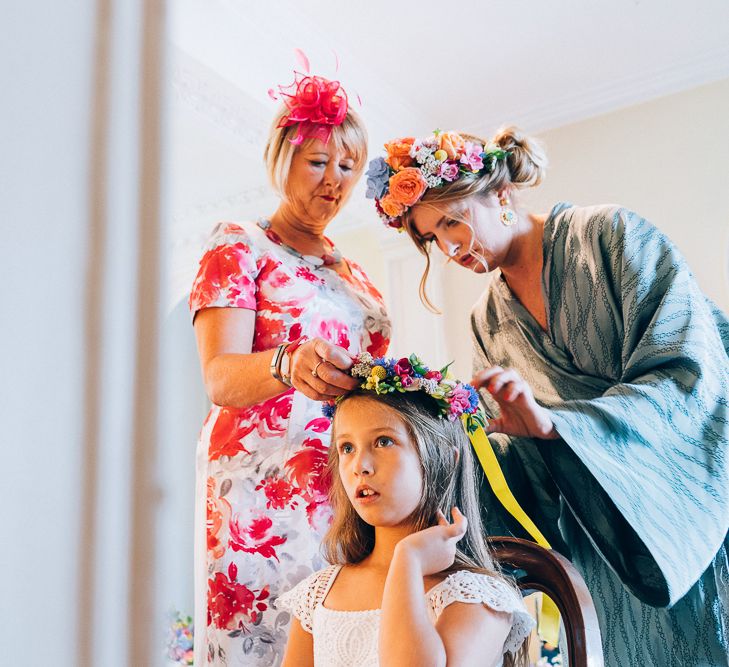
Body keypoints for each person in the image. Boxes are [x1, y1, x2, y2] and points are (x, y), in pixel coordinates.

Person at [364, 128, 729, 665]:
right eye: (432, 239)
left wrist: (559, 425)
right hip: (603, 542)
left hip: (684, 509)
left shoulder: (611, 235)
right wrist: (436, 450)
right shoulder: (487, 322)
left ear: (501, 195)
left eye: (450, 221)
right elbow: (515, 462)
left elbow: (686, 371)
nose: (449, 248)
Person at [188, 70, 390, 666]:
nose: (335, 181)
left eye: (349, 167)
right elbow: (220, 377)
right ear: (284, 160)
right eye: (319, 163)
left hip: (347, 486)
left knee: (343, 643)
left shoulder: (358, 279)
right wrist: (286, 361)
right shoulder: (239, 245)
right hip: (260, 490)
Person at [278, 352, 534, 667]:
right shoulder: (318, 595)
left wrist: (408, 562)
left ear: (443, 459)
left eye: (383, 442)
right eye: (347, 448)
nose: (360, 466)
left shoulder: (479, 596)